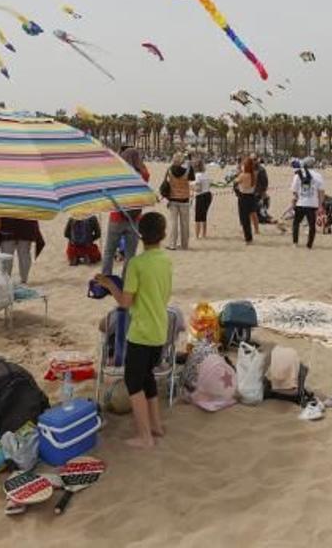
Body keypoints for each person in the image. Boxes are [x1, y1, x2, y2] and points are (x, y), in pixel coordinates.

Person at [92, 211, 172, 449]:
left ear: (139, 235)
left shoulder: (137, 264)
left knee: (134, 382)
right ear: (163, 234)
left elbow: (125, 303)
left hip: (141, 332)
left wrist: (108, 284)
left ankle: (145, 436)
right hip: (159, 329)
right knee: (147, 378)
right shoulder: (166, 261)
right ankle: (156, 426)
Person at [103, 147, 150, 272]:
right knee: (130, 255)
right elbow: (146, 173)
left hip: (117, 216)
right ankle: (126, 281)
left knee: (109, 251)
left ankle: (106, 280)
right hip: (134, 218)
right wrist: (139, 163)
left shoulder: (117, 175)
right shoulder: (143, 175)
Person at [0, 217, 45, 283]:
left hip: (8, 225)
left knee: (7, 256)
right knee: (23, 254)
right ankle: (23, 280)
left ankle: (7, 280)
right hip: (25, 224)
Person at [163, 152, 195, 251]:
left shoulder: (169, 170)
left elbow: (166, 182)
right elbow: (192, 178)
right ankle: (184, 244)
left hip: (173, 199)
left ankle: (172, 244)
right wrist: (190, 166)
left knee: (173, 223)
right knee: (185, 223)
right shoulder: (188, 170)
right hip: (184, 198)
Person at [290, 157, 324, 249]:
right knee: (312, 225)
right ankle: (309, 244)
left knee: (296, 223)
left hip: (301, 202)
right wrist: (320, 205)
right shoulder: (318, 176)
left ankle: (295, 242)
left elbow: (294, 190)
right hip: (313, 203)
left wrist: (295, 198)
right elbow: (321, 192)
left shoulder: (298, 175)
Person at [233, 156, 258, 243]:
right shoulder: (254, 174)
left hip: (243, 197)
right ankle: (250, 235)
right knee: (251, 215)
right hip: (252, 196)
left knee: (245, 219)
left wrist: (239, 173)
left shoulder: (243, 175)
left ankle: (248, 238)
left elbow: (235, 182)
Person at [192, 158, 213, 240]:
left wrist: (190, 187)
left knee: (198, 217)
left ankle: (197, 235)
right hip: (208, 195)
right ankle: (204, 234)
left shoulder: (198, 175)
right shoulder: (206, 174)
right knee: (204, 215)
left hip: (201, 196)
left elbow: (198, 188)